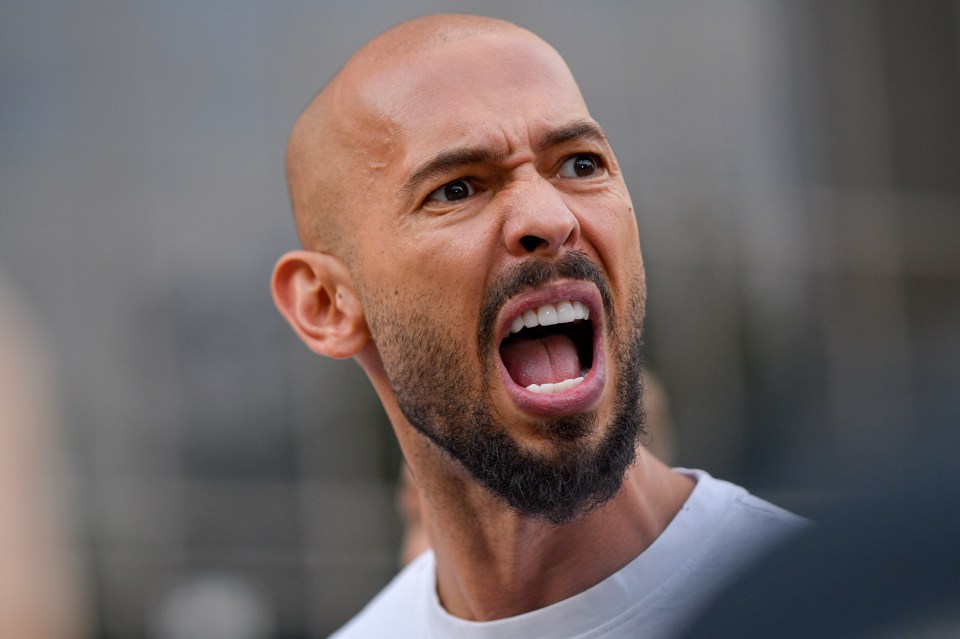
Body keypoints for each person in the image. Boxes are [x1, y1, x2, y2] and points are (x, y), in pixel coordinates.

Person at [271, 14, 805, 638]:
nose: (549, 217)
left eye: (581, 164)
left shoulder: (845, 606)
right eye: (457, 189)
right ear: (326, 306)